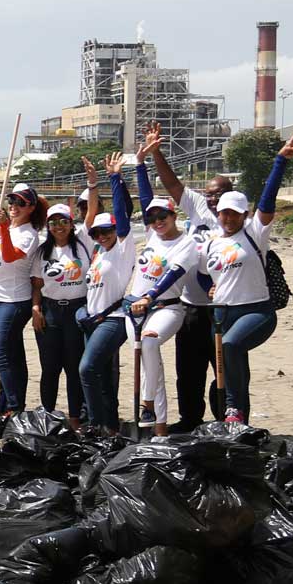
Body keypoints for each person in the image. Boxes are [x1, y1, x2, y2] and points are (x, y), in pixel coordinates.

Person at [197, 133, 293, 423]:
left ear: (244, 215)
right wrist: (209, 289)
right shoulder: (212, 241)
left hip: (257, 310)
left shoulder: (255, 233)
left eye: (235, 214)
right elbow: (203, 275)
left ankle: (233, 409)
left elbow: (267, 201)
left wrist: (280, 161)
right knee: (231, 361)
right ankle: (239, 421)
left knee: (231, 346)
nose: (228, 218)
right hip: (222, 313)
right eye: (224, 213)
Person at [150, 123, 231, 430]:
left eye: (219, 194)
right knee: (188, 368)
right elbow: (173, 186)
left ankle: (227, 418)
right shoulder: (199, 209)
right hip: (191, 306)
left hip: (223, 306)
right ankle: (190, 420)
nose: (213, 199)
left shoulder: (235, 219)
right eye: (210, 194)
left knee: (224, 368)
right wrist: (157, 153)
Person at [123, 159, 198, 435]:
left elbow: (174, 275)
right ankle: (160, 429)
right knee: (151, 365)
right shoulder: (154, 237)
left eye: (162, 217)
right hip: (134, 309)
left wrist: (150, 297)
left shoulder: (187, 243)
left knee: (151, 343)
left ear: (173, 215)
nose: (157, 222)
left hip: (167, 308)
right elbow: (145, 198)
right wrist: (140, 165)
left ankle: (147, 402)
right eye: (152, 219)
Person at [78, 156, 137, 433]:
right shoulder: (98, 252)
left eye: (107, 231)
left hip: (113, 319)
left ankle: (96, 423)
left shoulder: (122, 249)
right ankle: (110, 425)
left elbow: (123, 215)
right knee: (101, 374)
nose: (102, 236)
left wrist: (114, 178)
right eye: (97, 232)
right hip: (93, 319)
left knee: (87, 368)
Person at [34, 189, 95, 425]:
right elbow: (37, 284)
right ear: (48, 226)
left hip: (76, 309)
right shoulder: (42, 251)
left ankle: (74, 418)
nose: (58, 226)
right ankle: (46, 415)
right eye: (53, 223)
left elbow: (91, 214)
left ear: (71, 224)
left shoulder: (82, 244)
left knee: (73, 367)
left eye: (63, 221)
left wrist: (92, 183)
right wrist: (36, 309)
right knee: (50, 368)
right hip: (50, 311)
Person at [0, 182, 48, 415]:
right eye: (12, 200)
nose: (14, 205)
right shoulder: (3, 228)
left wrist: (3, 227)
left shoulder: (29, 234)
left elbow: (11, 256)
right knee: (13, 354)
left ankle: (13, 406)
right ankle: (8, 404)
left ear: (31, 207)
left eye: (20, 202)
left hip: (14, 300)